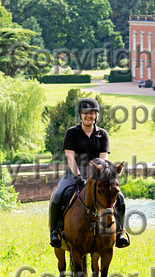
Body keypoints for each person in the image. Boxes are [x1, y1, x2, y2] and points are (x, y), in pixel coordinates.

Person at [49, 97, 130, 249]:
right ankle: (55, 232)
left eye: (92, 113)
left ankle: (119, 232)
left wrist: (98, 175)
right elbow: (70, 156)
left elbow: (104, 158)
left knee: (120, 197)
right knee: (59, 195)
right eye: (85, 113)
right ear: (80, 115)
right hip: (74, 172)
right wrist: (78, 176)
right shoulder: (72, 133)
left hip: (98, 173)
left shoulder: (102, 134)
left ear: (96, 115)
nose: (89, 116)